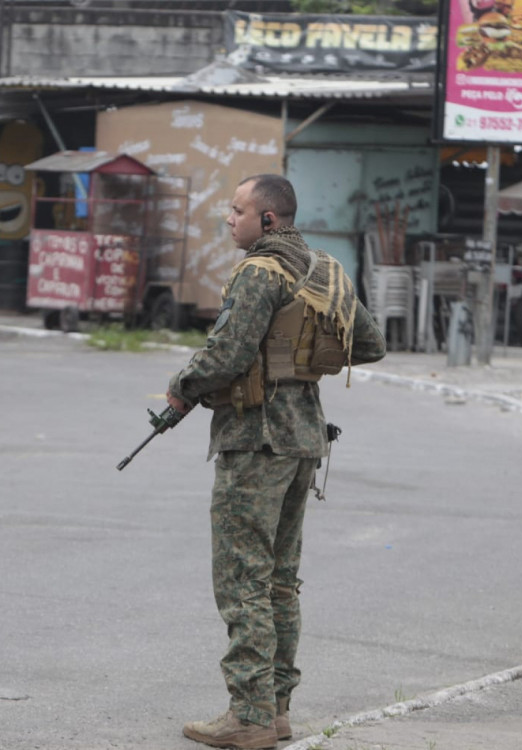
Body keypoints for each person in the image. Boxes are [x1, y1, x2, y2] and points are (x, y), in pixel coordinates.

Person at [165, 174, 386, 750]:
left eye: (237, 210)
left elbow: (227, 353)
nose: (228, 219)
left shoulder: (258, 272)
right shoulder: (321, 270)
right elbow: (369, 344)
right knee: (281, 583)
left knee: (243, 579)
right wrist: (302, 353)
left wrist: (182, 386)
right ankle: (278, 708)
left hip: (255, 441)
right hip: (305, 439)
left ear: (268, 219)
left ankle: (250, 715)